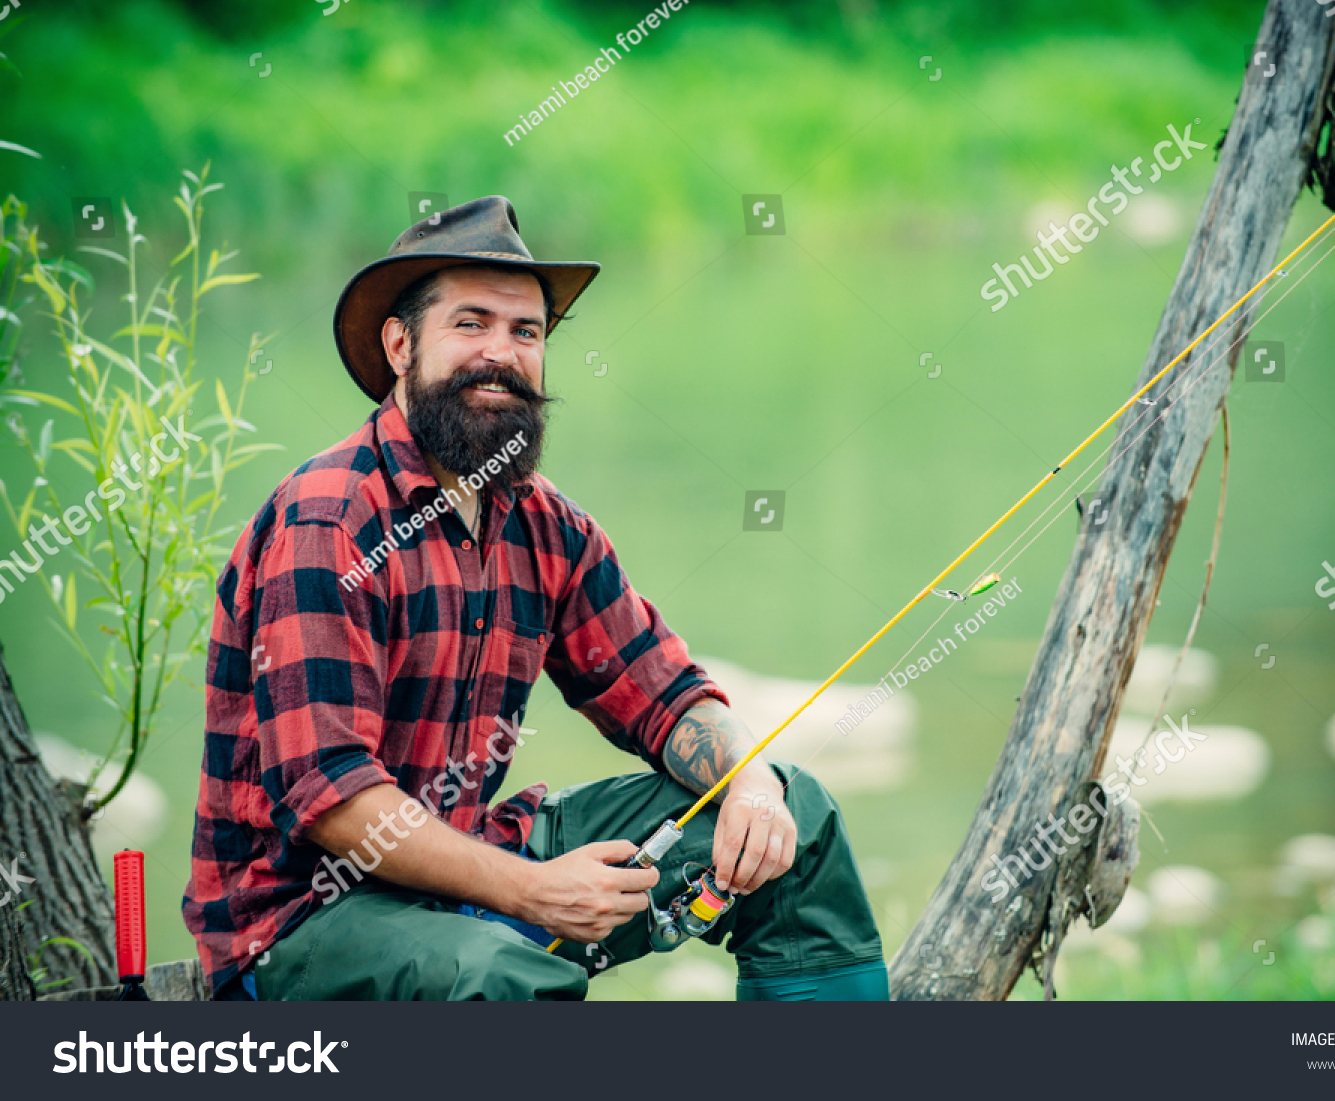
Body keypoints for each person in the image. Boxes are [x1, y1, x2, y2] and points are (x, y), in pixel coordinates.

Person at [182, 196, 887, 1001]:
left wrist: (752, 781)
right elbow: (333, 800)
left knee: (799, 819)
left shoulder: (545, 523)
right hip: (303, 924)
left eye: (527, 332)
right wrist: (532, 891)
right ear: (401, 344)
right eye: (471, 324)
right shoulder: (330, 517)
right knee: (506, 974)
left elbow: (667, 696)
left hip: (473, 863)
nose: (503, 353)